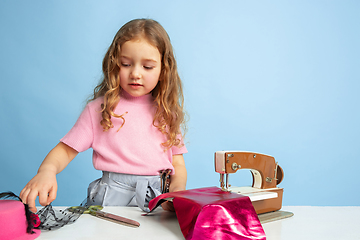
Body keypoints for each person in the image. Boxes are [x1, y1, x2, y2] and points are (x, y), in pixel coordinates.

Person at [20, 18, 187, 213]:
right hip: (111, 199)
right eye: (125, 64)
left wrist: (176, 192)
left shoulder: (167, 112)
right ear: (114, 64)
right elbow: (65, 151)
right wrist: (46, 171)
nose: (135, 73)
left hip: (158, 200)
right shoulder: (99, 109)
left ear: (163, 71)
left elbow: (177, 164)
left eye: (147, 67)